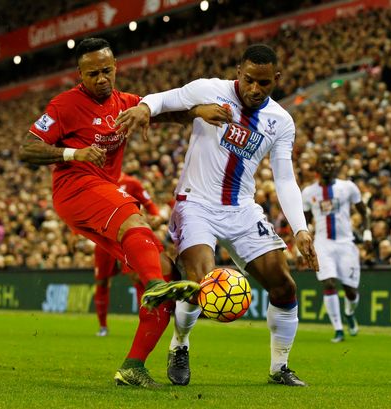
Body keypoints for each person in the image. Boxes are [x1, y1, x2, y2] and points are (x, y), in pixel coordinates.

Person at [18, 37, 218, 388]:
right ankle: (153, 284)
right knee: (131, 214)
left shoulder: (125, 103)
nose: (101, 78)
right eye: (92, 73)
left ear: (116, 68)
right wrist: (72, 154)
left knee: (168, 273)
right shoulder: (64, 105)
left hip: (102, 198)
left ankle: (133, 367)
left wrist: (195, 113)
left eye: (106, 70)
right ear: (79, 74)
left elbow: (162, 113)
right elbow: (27, 150)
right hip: (76, 189)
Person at [117, 44, 319, 387]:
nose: (256, 89)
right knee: (199, 282)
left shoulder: (281, 121)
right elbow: (163, 99)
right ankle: (180, 345)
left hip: (242, 208)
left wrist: (300, 229)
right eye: (250, 80)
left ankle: (279, 368)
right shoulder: (209, 89)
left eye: (265, 83)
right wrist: (143, 108)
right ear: (238, 72)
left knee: (284, 286)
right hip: (195, 203)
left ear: (277, 80)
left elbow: (284, 177)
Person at [302, 153, 371, 343]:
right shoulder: (308, 192)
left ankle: (349, 313)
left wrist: (367, 234)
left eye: (332, 162)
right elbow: (305, 220)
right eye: (324, 162)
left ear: (336, 166)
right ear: (317, 167)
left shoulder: (347, 187)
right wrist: (304, 239)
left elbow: (364, 212)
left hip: (346, 244)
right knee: (329, 283)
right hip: (323, 244)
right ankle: (338, 329)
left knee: (350, 291)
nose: (328, 166)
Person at [94, 172, 162, 337]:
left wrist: (156, 216)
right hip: (103, 239)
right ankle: (103, 326)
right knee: (102, 281)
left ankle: (147, 323)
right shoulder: (95, 179)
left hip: (125, 236)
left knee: (136, 276)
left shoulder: (131, 183)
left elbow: (150, 205)